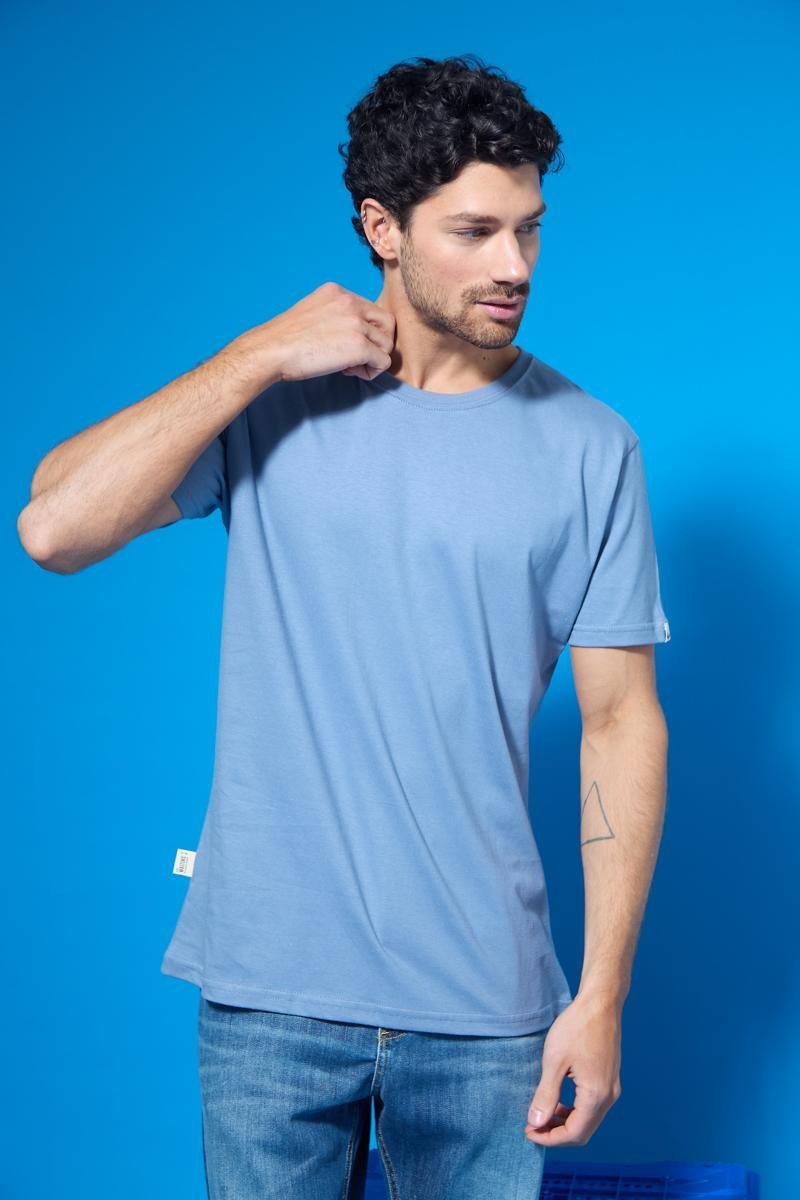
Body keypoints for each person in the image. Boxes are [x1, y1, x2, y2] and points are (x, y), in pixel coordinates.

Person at [17, 52, 672, 1200]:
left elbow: (620, 724)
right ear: (381, 228)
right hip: (269, 994)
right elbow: (53, 528)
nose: (514, 264)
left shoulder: (591, 446)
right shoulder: (269, 400)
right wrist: (255, 356)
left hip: (485, 1009)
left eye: (528, 229)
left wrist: (602, 995)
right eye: (474, 231)